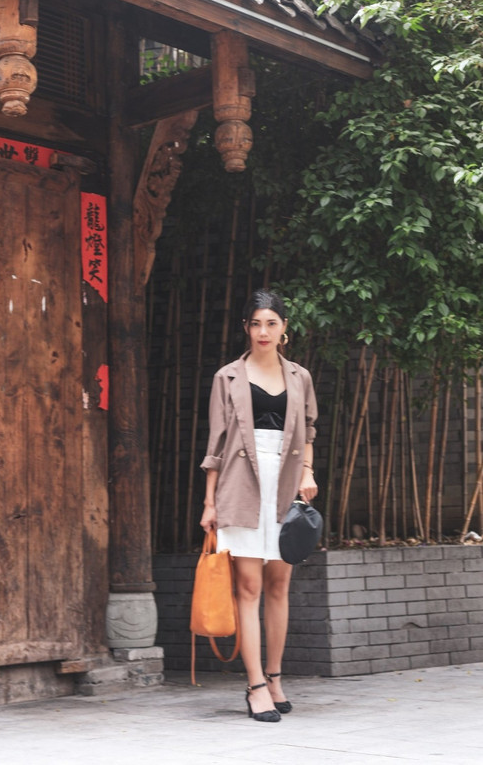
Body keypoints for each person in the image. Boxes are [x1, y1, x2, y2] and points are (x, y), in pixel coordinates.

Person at [200, 289, 318, 723]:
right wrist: (210, 502)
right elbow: (216, 444)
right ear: (246, 328)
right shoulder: (227, 377)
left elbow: (308, 430)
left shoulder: (300, 377)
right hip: (240, 485)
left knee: (279, 586)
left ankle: (275, 678)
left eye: (271, 323)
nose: (263, 331)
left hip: (286, 484)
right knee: (248, 588)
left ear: (284, 328)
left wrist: (307, 473)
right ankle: (254, 686)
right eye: (255, 323)